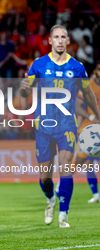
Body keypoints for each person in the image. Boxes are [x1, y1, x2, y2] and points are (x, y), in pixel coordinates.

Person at [20, 25, 100, 228]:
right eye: (56, 37)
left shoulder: (77, 67)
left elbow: (87, 93)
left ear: (67, 41)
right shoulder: (38, 65)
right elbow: (25, 92)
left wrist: (97, 114)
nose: (60, 40)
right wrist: (23, 90)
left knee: (65, 168)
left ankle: (64, 213)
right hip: (44, 125)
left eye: (64, 37)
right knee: (44, 177)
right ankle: (50, 199)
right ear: (50, 40)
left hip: (66, 125)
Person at [74, 61, 100, 203]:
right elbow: (77, 106)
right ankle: (95, 195)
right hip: (89, 129)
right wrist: (91, 116)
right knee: (86, 162)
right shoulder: (88, 85)